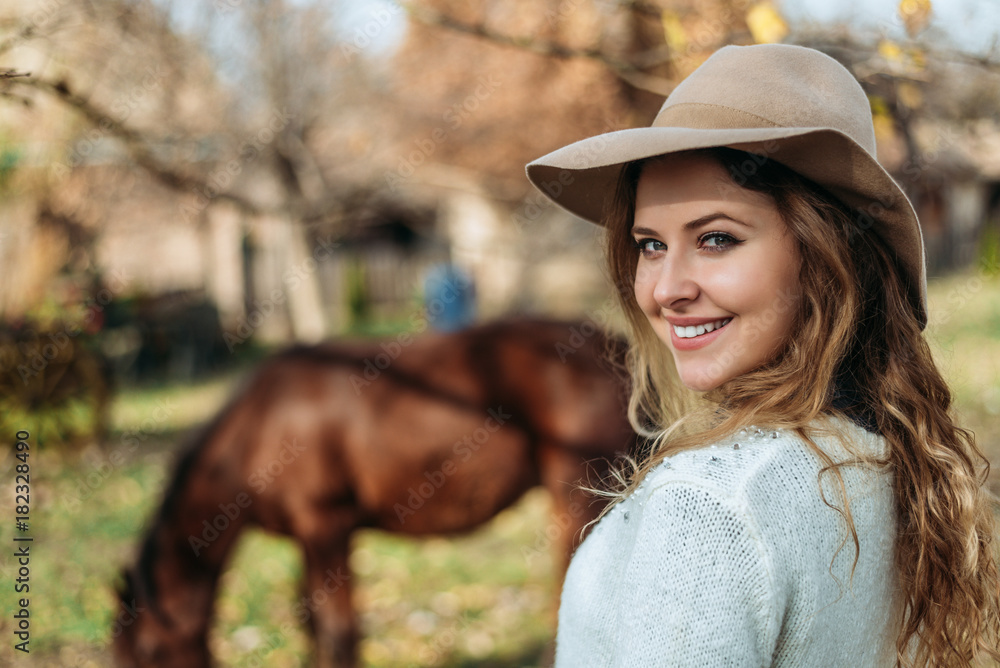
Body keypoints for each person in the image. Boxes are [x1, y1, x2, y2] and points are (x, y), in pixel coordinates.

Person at [526, 44, 999, 667]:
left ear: (827, 258)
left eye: (716, 238)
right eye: (649, 245)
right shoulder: (893, 458)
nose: (666, 289)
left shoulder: (710, 505)